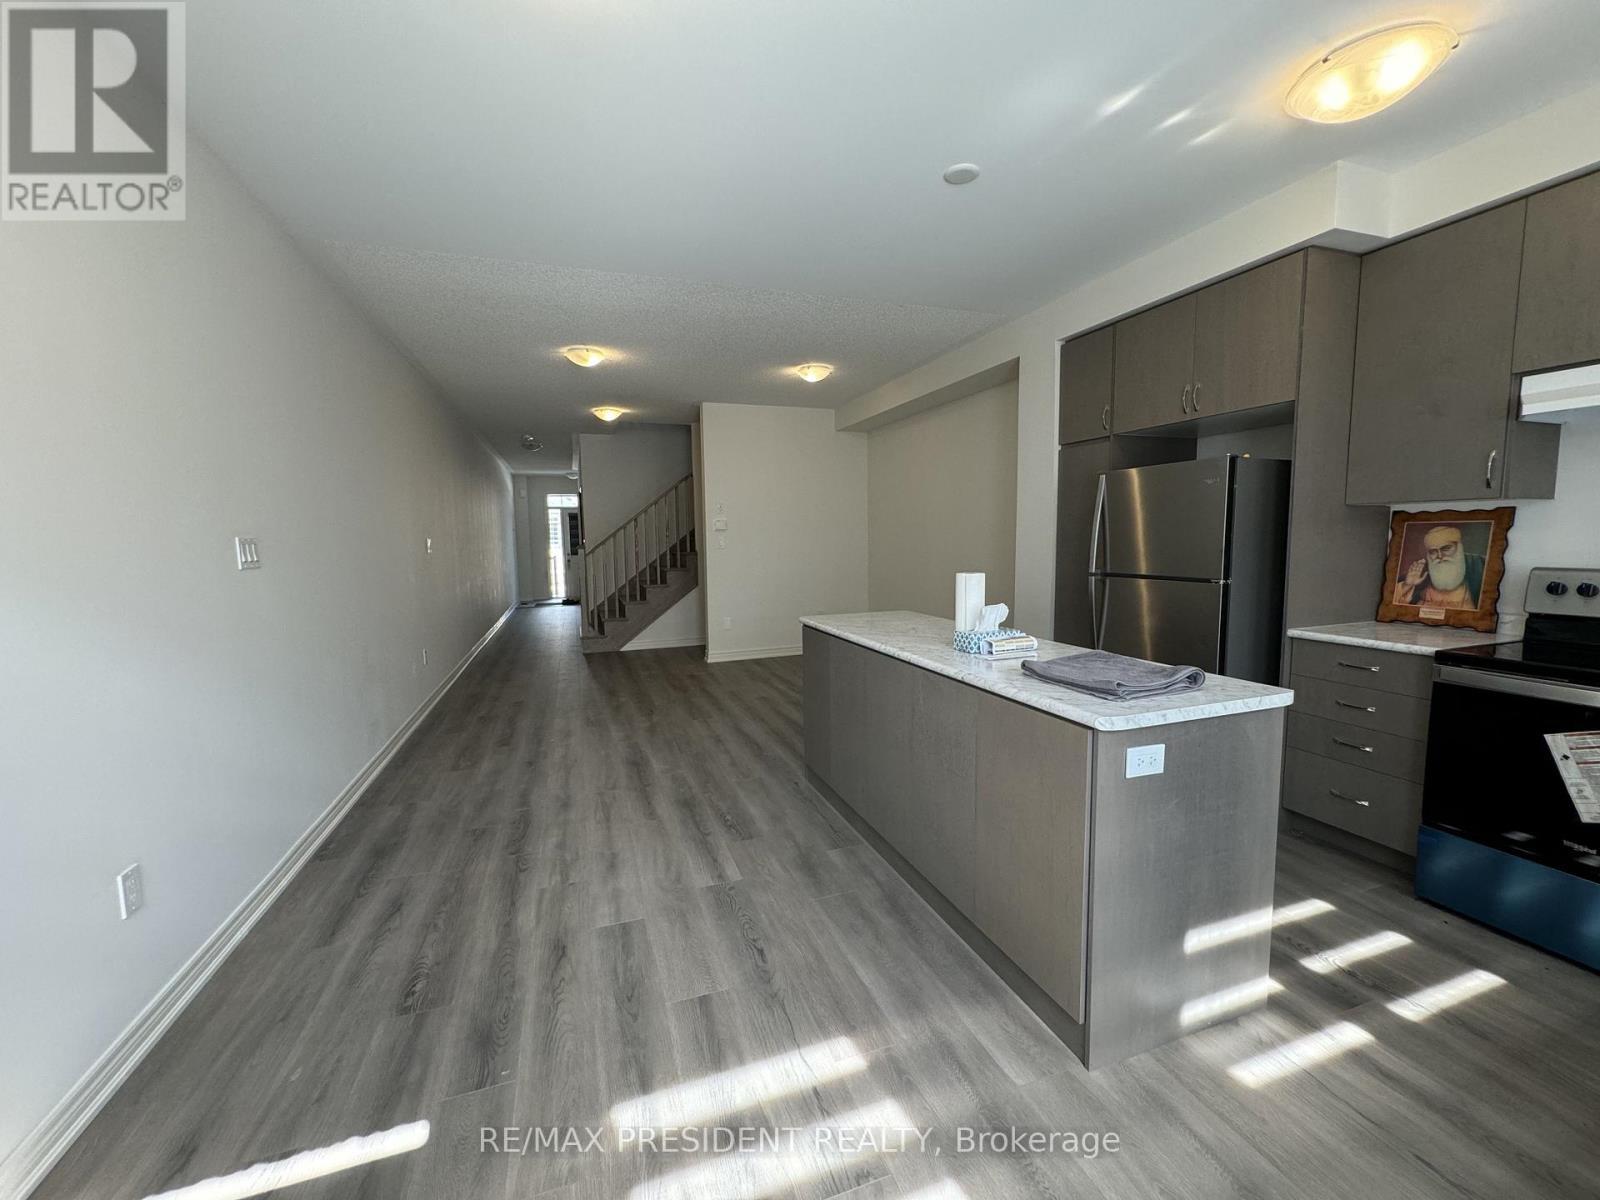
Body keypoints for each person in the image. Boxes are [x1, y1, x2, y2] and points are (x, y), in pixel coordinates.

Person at [1395, 525, 1484, 610]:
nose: (1440, 556)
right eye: (1433, 551)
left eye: (1446, 548)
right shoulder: (1419, 572)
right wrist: (1407, 585)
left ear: (1459, 547)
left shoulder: (1480, 566)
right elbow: (1393, 607)